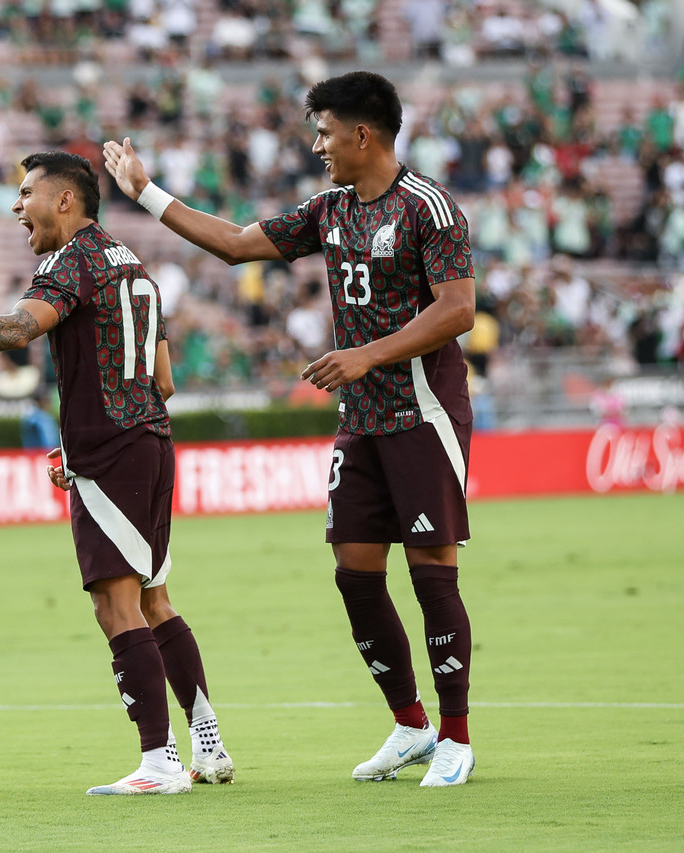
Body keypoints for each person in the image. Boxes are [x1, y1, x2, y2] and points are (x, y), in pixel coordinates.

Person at [102, 70, 478, 787]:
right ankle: (410, 724)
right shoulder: (328, 209)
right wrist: (146, 192)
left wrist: (365, 353)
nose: (317, 146)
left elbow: (458, 308)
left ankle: (458, 735)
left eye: (325, 132)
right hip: (362, 420)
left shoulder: (430, 206)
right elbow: (238, 244)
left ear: (362, 133)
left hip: (423, 415)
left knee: (433, 573)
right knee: (355, 572)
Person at [0, 151, 235, 796]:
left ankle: (159, 762)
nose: (16, 206)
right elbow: (164, 380)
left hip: (114, 452)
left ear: (65, 200)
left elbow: (17, 329)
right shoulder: (133, 266)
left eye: (27, 192)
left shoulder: (72, 262)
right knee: (153, 599)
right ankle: (208, 741)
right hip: (149, 443)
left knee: (115, 605)